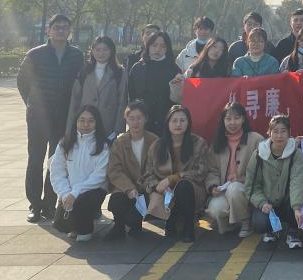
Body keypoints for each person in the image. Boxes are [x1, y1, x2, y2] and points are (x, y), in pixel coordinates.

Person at [17, 13, 83, 223]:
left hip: (63, 117)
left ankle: (50, 204)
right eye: (57, 27)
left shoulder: (76, 55)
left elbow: (79, 83)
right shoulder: (35, 54)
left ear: (69, 31)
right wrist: (32, 103)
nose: (60, 31)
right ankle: (35, 205)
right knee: (35, 160)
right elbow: (22, 82)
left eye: (65, 27)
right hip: (38, 117)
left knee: (56, 162)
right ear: (49, 30)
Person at [143, 105, 211, 242]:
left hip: (191, 189)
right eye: (174, 121)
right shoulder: (157, 146)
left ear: (188, 123)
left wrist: (174, 178)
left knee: (183, 186)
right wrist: (158, 186)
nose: (178, 124)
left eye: (182, 120)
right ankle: (171, 219)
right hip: (164, 192)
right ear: (167, 123)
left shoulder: (198, 143)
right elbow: (148, 175)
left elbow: (201, 171)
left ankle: (188, 226)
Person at [48, 104, 109, 241]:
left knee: (83, 204)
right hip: (70, 191)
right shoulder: (65, 143)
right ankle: (76, 226)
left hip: (93, 191)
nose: (86, 124)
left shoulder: (102, 146)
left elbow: (99, 176)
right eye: (82, 120)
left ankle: (85, 229)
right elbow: (57, 172)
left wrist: (76, 192)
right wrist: (65, 194)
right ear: (76, 121)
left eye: (91, 121)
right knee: (61, 225)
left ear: (97, 123)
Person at [244, 115, 303, 249]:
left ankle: (292, 232)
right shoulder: (259, 154)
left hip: (288, 201)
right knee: (259, 223)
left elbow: (298, 182)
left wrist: (297, 207)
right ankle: (271, 229)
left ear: (289, 133)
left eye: (283, 131)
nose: (279, 136)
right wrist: (262, 203)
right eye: (275, 131)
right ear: (269, 133)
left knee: (299, 204)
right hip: (268, 201)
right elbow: (251, 186)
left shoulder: (296, 154)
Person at [206, 102, 264, 237]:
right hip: (224, 189)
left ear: (243, 119)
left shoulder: (256, 139)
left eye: (237, 118)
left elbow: (263, 170)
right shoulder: (217, 143)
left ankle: (246, 221)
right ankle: (230, 222)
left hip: (248, 190)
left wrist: (241, 178)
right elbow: (212, 170)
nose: (233, 122)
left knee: (235, 188)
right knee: (215, 209)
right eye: (228, 119)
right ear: (223, 121)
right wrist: (213, 186)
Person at [104, 101, 157, 240]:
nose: (135, 122)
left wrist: (145, 186)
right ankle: (118, 227)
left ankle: (136, 225)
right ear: (126, 119)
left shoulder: (154, 140)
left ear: (145, 119)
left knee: (135, 215)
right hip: (126, 188)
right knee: (117, 200)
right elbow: (115, 170)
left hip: (147, 187)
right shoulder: (119, 143)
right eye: (131, 118)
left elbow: (158, 168)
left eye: (139, 118)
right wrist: (129, 188)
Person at [67, 35, 127, 143]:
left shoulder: (119, 72)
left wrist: (117, 130)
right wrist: (70, 127)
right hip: (85, 123)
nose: (101, 53)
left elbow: (122, 102)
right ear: (92, 51)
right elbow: (75, 99)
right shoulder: (84, 71)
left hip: (107, 125)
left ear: (111, 51)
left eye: (105, 50)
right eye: (97, 49)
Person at [127, 31, 182, 137]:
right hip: (142, 119)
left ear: (167, 48)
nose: (158, 49)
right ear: (148, 46)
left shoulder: (173, 69)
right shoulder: (138, 68)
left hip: (166, 119)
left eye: (162, 46)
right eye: (154, 45)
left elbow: (178, 100)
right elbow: (131, 95)